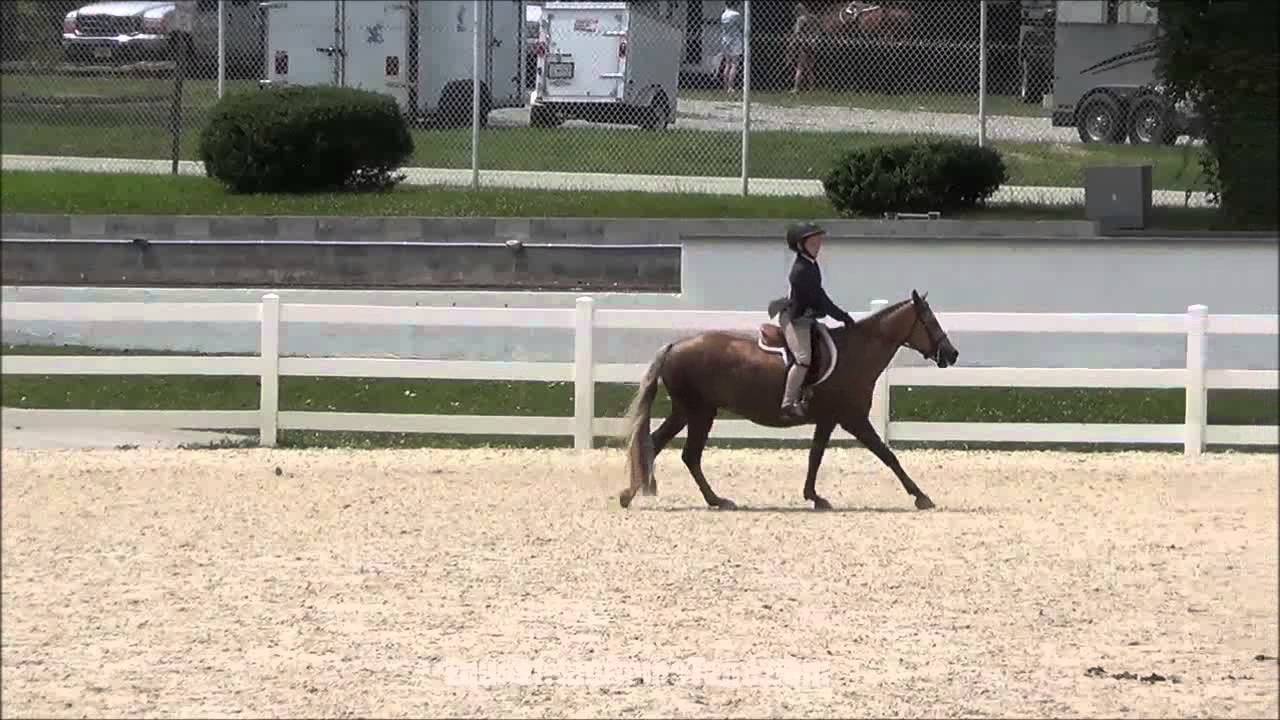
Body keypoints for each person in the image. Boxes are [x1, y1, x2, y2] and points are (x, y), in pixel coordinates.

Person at [771, 222, 856, 420]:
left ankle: (809, 392)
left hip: (807, 317)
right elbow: (820, 299)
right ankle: (788, 403)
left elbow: (820, 297)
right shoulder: (801, 270)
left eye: (819, 240)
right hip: (795, 319)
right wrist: (842, 316)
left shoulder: (811, 264)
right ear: (801, 245)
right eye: (813, 241)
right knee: (803, 359)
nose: (818, 244)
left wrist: (840, 315)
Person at [787, 2, 818, 93]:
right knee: (809, 68)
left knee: (800, 67)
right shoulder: (813, 18)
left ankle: (796, 87)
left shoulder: (801, 19)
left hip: (803, 44)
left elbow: (797, 33)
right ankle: (811, 87)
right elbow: (817, 31)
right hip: (812, 44)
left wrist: (792, 43)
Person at [718, 0, 744, 94]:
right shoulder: (736, 15)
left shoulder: (724, 15)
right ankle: (730, 86)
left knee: (727, 64)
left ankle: (725, 86)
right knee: (734, 64)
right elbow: (741, 27)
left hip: (725, 40)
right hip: (735, 40)